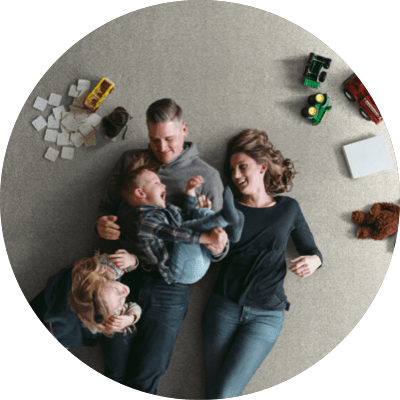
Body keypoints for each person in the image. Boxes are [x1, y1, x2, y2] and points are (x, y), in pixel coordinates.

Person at [95, 98, 228, 394]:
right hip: (122, 274)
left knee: (147, 374)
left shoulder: (207, 177)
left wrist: (218, 248)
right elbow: (105, 207)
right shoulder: (131, 161)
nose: (162, 148)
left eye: (169, 138)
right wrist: (102, 224)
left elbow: (218, 246)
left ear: (183, 129)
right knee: (113, 368)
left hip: (169, 283)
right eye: (154, 140)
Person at [202, 129, 323, 399]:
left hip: (267, 316)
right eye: (232, 169)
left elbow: (312, 250)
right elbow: (213, 252)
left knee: (223, 393)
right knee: (214, 392)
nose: (236, 175)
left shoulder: (288, 208)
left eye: (242, 166)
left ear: (262, 167)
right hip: (223, 307)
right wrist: (214, 247)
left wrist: (314, 261)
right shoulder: (228, 205)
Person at [30, 250, 141, 383]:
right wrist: (131, 317)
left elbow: (124, 264)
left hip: (83, 292)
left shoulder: (108, 268)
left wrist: (133, 260)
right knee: (57, 319)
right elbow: (134, 307)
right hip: (64, 306)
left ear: (102, 279)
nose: (124, 294)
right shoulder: (111, 306)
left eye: (117, 293)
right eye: (119, 298)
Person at [120, 165, 244, 284]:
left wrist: (190, 191)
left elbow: (188, 218)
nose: (163, 185)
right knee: (183, 229)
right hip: (182, 271)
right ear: (141, 193)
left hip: (200, 257)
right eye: (156, 183)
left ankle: (230, 226)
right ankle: (224, 218)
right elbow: (174, 234)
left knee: (200, 212)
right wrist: (208, 238)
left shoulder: (167, 208)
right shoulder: (145, 222)